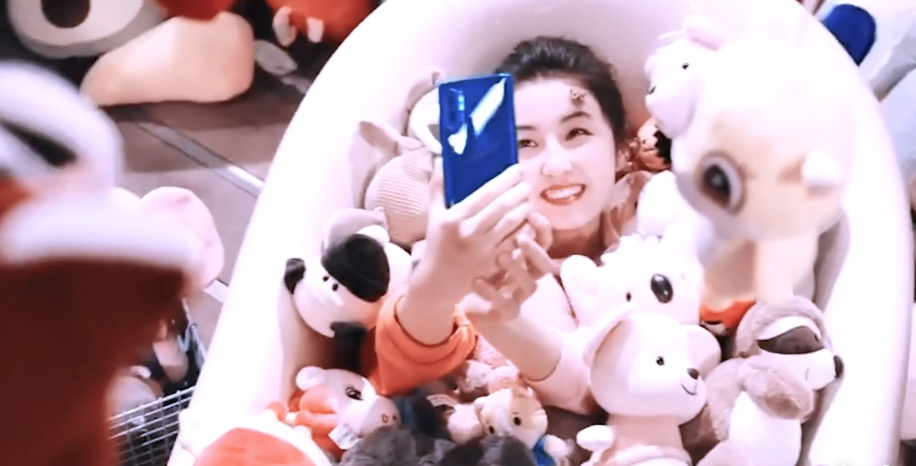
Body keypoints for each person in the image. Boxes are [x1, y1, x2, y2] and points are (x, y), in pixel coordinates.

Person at [362, 37, 646, 415]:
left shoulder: (662, 222)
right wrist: (436, 286)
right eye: (525, 142)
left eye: (576, 133)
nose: (556, 166)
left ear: (622, 149)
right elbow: (395, 381)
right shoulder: (471, 259)